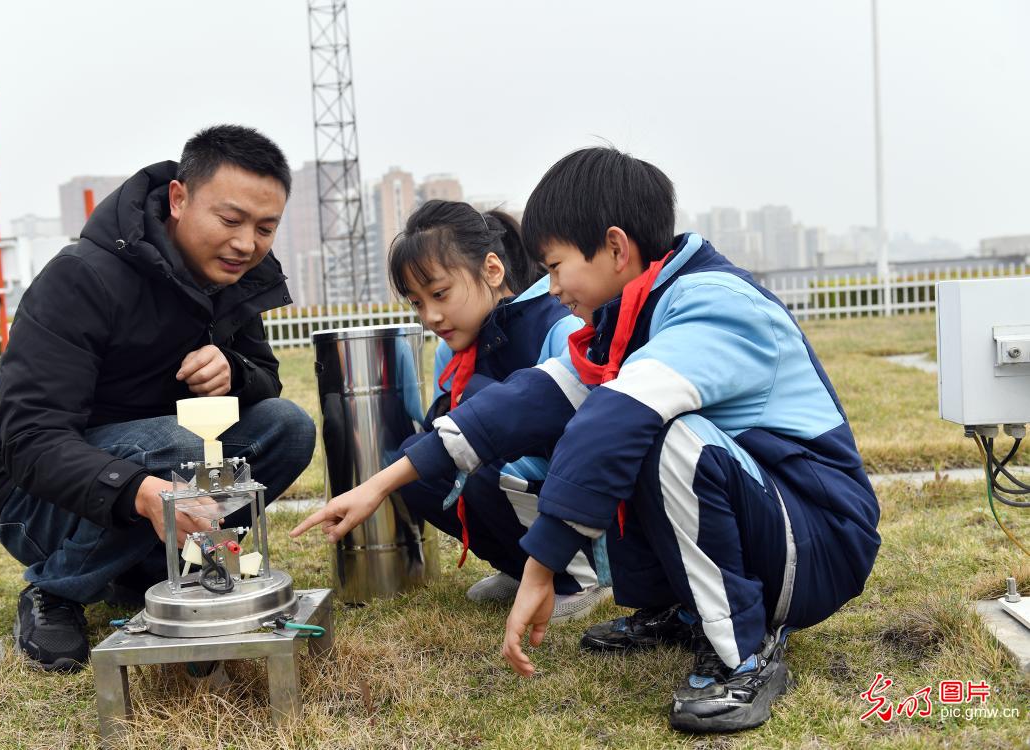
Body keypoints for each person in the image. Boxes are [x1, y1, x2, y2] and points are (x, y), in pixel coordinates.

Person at [291, 147, 880, 733]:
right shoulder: (628, 321)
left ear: (617, 248)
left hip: (817, 541)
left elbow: (615, 421)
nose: (550, 288)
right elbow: (525, 401)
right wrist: (382, 483)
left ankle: (741, 655)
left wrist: (541, 568)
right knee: (628, 431)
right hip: (773, 526)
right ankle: (680, 611)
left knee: (658, 437)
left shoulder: (714, 304)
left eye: (553, 266)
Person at [0, 125, 317, 672]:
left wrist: (235, 371)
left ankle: (175, 570)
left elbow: (266, 382)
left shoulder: (235, 280)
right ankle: (55, 591)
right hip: (33, 502)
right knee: (174, 443)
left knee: (287, 426)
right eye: (230, 221)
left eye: (265, 228)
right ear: (178, 199)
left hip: (158, 465)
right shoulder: (82, 278)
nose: (246, 244)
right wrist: (137, 490)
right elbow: (29, 442)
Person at [386, 199, 609, 621]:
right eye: (416, 303)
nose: (430, 316)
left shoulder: (557, 324)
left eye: (439, 294)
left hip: (577, 494)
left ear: (492, 270)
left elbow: (590, 442)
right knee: (417, 460)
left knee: (483, 449)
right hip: (523, 483)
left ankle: (577, 574)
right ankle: (519, 566)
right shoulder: (449, 351)